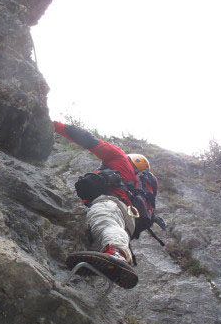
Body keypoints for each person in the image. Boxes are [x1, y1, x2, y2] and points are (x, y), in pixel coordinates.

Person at [53, 120, 157, 288]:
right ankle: (109, 259)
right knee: (102, 231)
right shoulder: (136, 186)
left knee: (104, 221)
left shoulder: (120, 158)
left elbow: (87, 139)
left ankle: (116, 253)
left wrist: (53, 125)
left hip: (112, 204)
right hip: (128, 221)